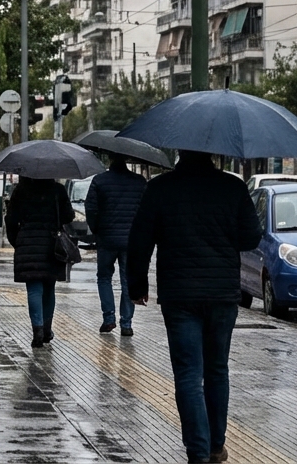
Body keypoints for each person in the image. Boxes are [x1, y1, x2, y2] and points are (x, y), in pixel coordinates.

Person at [128, 151, 260, 464]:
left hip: (179, 294)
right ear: (212, 153)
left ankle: (198, 451)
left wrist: (137, 286)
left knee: (188, 373)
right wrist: (223, 233)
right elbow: (251, 237)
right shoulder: (232, 187)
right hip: (222, 293)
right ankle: (216, 446)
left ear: (180, 152)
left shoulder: (160, 188)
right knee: (217, 370)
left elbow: (140, 240)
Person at [5, 177, 76, 348]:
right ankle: (46, 329)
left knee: (34, 289)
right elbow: (69, 216)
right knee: (49, 288)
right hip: (52, 245)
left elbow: (11, 219)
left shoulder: (21, 190)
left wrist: (18, 241)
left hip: (27, 244)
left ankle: (37, 330)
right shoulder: (58, 190)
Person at [85, 154, 146, 336]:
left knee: (104, 277)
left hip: (107, 238)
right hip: (131, 240)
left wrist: (96, 229)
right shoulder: (139, 182)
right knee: (127, 279)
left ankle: (109, 318)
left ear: (110, 159)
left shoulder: (99, 181)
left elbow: (91, 209)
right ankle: (126, 323)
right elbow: (146, 210)